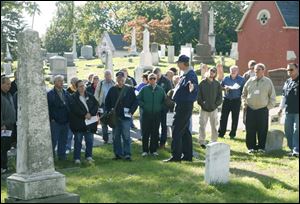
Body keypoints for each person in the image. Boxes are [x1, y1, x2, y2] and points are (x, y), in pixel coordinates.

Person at [163, 55, 198, 162]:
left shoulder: (190, 74)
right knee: (185, 131)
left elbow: (192, 85)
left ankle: (176, 156)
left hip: (184, 105)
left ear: (183, 63)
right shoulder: (184, 74)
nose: (177, 64)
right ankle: (187, 155)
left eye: (178, 62)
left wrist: (192, 87)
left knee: (177, 130)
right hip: (182, 105)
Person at [242, 63, 276, 154]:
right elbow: (244, 94)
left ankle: (261, 147)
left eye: (258, 69)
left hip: (262, 109)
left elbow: (272, 97)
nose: (256, 71)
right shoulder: (250, 80)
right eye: (255, 69)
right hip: (250, 109)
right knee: (250, 129)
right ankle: (251, 147)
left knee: (262, 129)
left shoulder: (268, 82)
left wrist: (267, 107)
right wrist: (244, 104)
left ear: (263, 71)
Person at [105, 71, 138, 161]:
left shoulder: (129, 89)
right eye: (118, 78)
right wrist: (109, 110)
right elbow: (107, 102)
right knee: (116, 137)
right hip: (115, 117)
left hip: (126, 117)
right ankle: (118, 154)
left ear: (124, 79)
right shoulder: (112, 90)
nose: (120, 80)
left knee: (126, 136)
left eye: (122, 78)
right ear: (116, 79)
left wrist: (131, 111)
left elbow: (135, 102)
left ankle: (127, 154)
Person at [69, 80, 99, 164]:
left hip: (90, 123)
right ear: (76, 88)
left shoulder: (90, 95)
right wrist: (84, 115)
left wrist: (91, 113)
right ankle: (77, 158)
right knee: (78, 141)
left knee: (89, 140)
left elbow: (96, 105)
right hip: (79, 123)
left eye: (83, 86)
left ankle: (89, 156)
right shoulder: (73, 97)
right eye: (80, 86)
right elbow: (74, 109)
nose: (82, 88)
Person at [138, 73, 166, 157]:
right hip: (146, 114)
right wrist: (144, 106)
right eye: (150, 78)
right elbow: (138, 99)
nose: (152, 80)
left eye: (154, 78)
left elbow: (164, 101)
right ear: (148, 80)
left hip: (156, 114)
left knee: (155, 133)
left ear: (156, 79)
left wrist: (160, 107)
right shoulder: (144, 89)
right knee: (145, 133)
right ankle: (145, 150)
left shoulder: (160, 90)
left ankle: (153, 150)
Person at [197, 67, 223, 149]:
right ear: (208, 72)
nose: (212, 72)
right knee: (202, 125)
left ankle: (214, 140)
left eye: (214, 71)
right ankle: (202, 141)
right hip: (204, 108)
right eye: (211, 71)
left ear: (215, 74)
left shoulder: (217, 84)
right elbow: (199, 96)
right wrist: (202, 104)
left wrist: (216, 105)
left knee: (214, 126)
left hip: (214, 109)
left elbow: (220, 96)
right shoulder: (202, 83)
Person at [47, 75, 71, 160]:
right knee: (54, 140)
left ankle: (62, 156)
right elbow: (48, 108)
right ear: (55, 82)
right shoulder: (50, 94)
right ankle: (51, 157)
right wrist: (52, 119)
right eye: (60, 81)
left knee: (63, 140)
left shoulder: (66, 92)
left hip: (65, 120)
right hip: (55, 121)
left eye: (62, 81)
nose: (62, 82)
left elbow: (69, 105)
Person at [218, 66, 245, 139]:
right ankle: (221, 133)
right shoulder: (226, 78)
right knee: (223, 117)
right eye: (232, 70)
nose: (233, 72)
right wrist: (224, 88)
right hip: (226, 100)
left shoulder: (241, 79)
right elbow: (220, 87)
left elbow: (244, 90)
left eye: (234, 70)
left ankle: (232, 134)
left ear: (237, 71)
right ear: (230, 71)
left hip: (236, 100)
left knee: (235, 118)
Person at [278, 63, 299, 157]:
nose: (289, 71)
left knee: (297, 130)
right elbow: (284, 96)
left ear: (297, 69)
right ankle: (292, 148)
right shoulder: (287, 82)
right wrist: (280, 108)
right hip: (288, 111)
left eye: (291, 69)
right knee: (288, 130)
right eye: (288, 70)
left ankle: (296, 150)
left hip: (298, 112)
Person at [153, 67, 173, 149]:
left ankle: (162, 143)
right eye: (155, 75)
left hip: (164, 107)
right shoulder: (152, 79)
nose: (156, 77)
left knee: (164, 126)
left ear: (160, 73)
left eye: (158, 75)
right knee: (155, 126)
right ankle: (155, 141)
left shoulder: (166, 81)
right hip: (155, 107)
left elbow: (170, 93)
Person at [94, 70, 115, 143]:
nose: (108, 77)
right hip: (102, 105)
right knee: (103, 122)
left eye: (109, 75)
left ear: (111, 76)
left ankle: (114, 138)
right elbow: (96, 94)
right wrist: (97, 104)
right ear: (104, 76)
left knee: (113, 121)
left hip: (112, 105)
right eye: (106, 75)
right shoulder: (101, 83)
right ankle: (105, 139)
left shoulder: (114, 83)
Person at [1, 76, 17, 173]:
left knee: (6, 146)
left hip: (10, 125)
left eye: (10, 84)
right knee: (2, 146)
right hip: (3, 126)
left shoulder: (9, 95)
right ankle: (2, 167)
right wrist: (2, 124)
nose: (9, 86)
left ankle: (5, 165)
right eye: (7, 84)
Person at [66, 77, 78, 154]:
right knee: (69, 134)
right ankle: (68, 148)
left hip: (79, 116)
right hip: (71, 115)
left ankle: (77, 148)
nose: (75, 83)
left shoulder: (81, 90)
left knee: (78, 135)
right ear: (72, 83)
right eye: (74, 82)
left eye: (77, 82)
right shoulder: (68, 91)